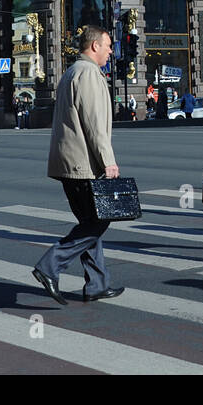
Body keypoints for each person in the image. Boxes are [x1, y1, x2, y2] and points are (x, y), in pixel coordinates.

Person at [32, 25, 123, 305]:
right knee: (98, 222)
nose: (111, 51)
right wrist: (108, 161)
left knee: (88, 222)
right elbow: (94, 124)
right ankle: (50, 266)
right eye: (108, 45)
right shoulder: (89, 75)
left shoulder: (73, 71)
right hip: (83, 164)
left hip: (70, 162)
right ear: (94, 46)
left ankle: (97, 284)